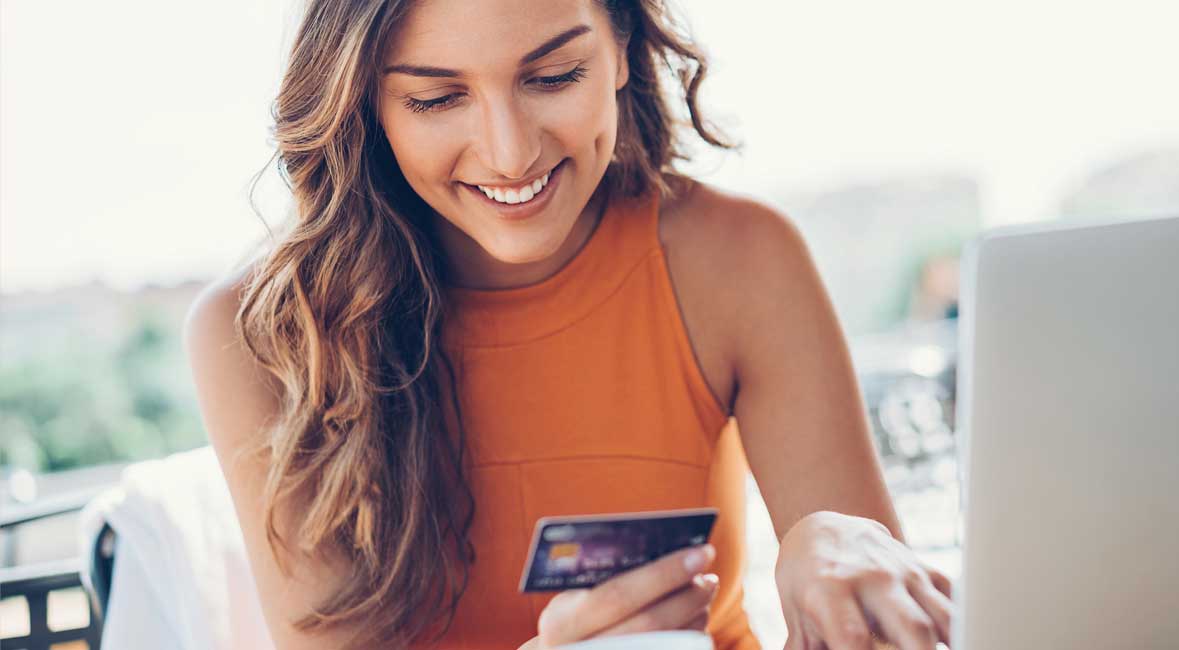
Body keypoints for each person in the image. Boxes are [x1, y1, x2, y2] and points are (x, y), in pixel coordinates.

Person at [182, 1, 953, 649]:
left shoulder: (739, 259)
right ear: (367, 105)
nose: (509, 153)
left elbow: (887, 632)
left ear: (620, 47)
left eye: (553, 77)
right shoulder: (260, 336)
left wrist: (831, 542)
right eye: (435, 99)